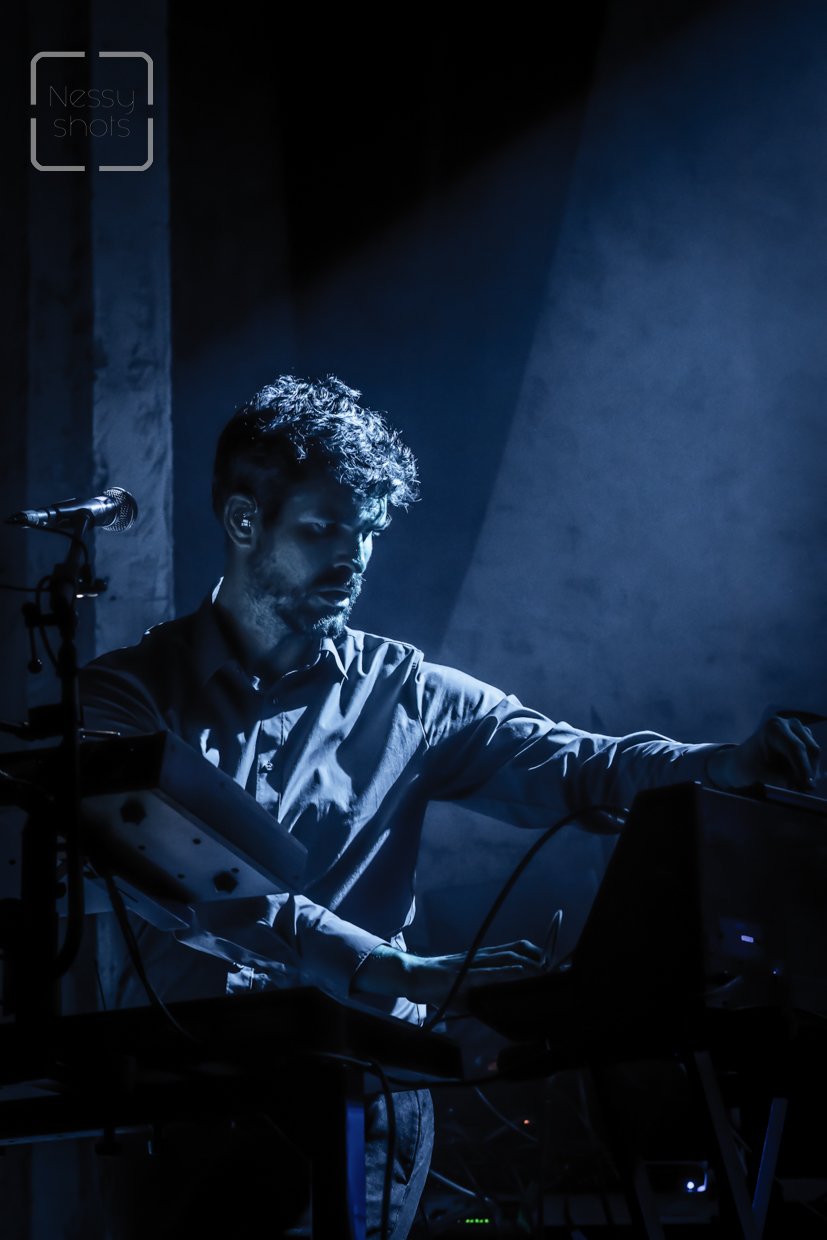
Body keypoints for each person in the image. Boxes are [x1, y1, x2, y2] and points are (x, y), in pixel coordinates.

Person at [80, 375, 819, 1239]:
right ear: (244, 521)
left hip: (361, 1094)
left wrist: (723, 764)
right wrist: (406, 973)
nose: (352, 558)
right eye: (322, 529)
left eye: (367, 532)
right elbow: (196, 879)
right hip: (178, 1101)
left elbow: (581, 764)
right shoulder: (121, 699)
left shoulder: (411, 695)